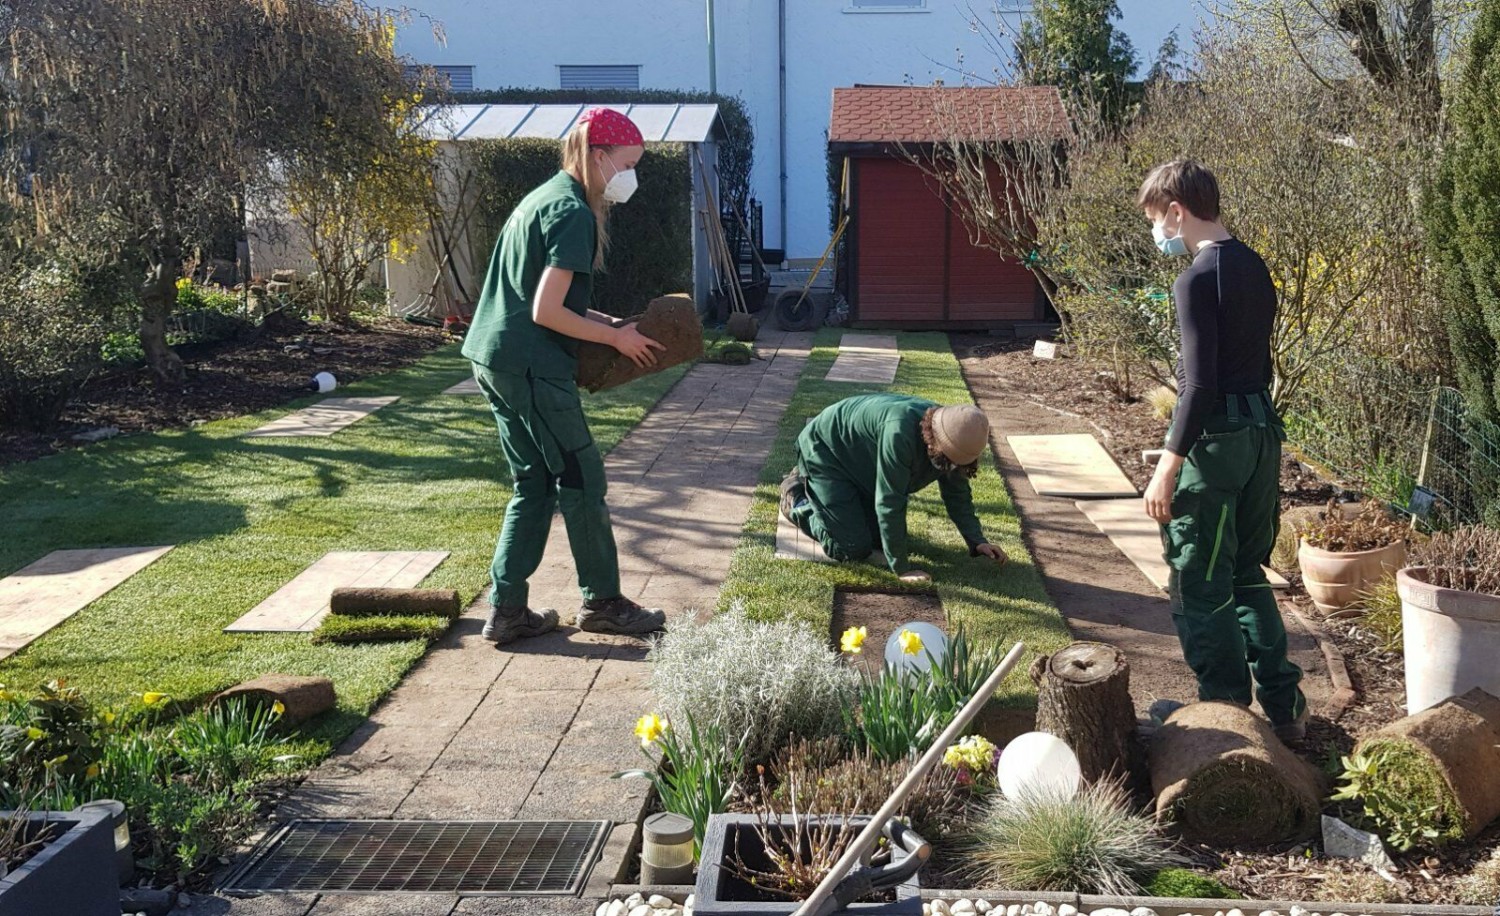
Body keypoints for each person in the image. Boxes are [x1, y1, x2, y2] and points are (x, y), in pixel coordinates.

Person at [462, 107, 669, 644]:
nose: (630, 176)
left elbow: (541, 296)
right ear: (599, 157)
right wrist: (616, 340)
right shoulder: (572, 213)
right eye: (627, 164)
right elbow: (547, 312)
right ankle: (602, 602)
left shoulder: (546, 196)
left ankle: (507, 610)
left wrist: (615, 323)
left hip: (496, 357)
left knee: (533, 481)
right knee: (582, 479)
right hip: (530, 364)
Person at [1137, 159, 1308, 742]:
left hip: (1217, 449)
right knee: (1246, 574)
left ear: (1177, 211)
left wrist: (1168, 463)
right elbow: (1256, 366)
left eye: (1157, 218)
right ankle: (1285, 710)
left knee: (1199, 580)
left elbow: (1198, 385)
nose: (1158, 230)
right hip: (1261, 435)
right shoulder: (1255, 266)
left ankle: (1223, 713)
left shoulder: (1195, 278)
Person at [778, 393, 1008, 582]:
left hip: (861, 461)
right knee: (851, 547)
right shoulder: (900, 433)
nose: (951, 467)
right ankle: (796, 498)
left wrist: (978, 541)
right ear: (933, 439)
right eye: (948, 460)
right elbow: (889, 502)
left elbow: (958, 495)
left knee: (877, 539)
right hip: (827, 450)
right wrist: (902, 568)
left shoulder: (956, 436)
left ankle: (828, 495)